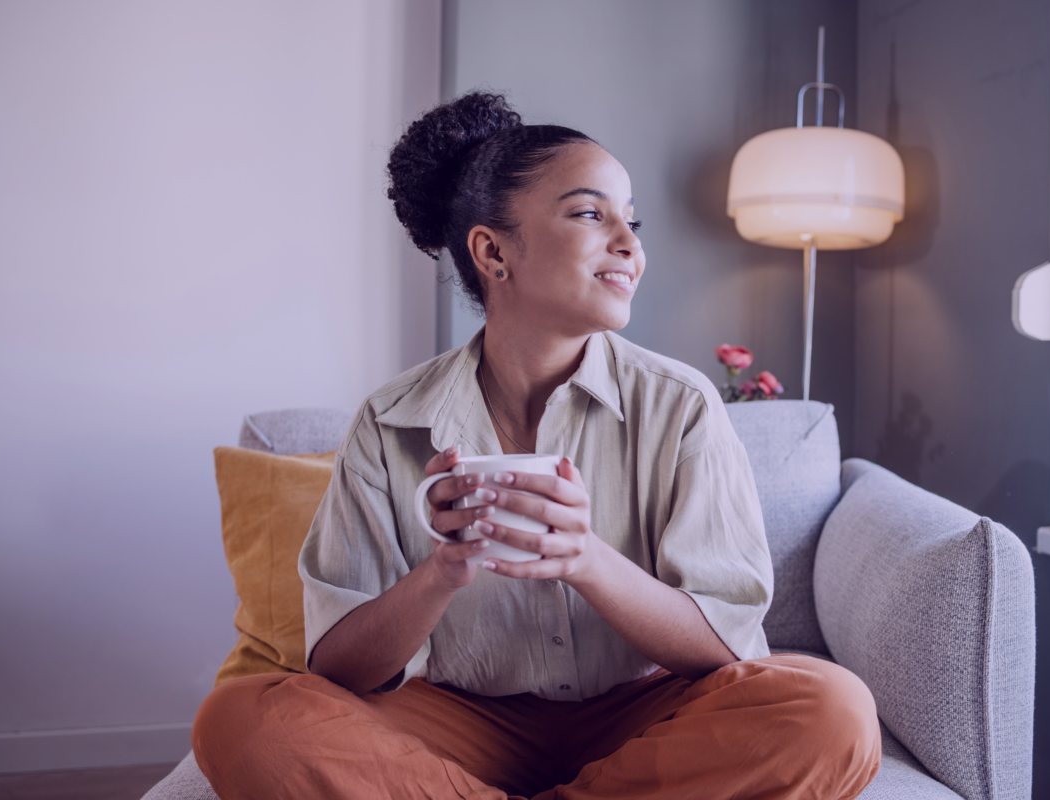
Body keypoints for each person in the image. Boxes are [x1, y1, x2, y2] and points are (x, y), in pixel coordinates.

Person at [192, 91, 880, 800]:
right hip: (455, 718)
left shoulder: (681, 405)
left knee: (832, 710)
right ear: (492, 251)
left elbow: (723, 646)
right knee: (244, 718)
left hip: (644, 717)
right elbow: (338, 670)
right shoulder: (389, 420)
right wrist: (442, 571)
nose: (630, 242)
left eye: (631, 219)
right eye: (591, 213)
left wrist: (586, 560)